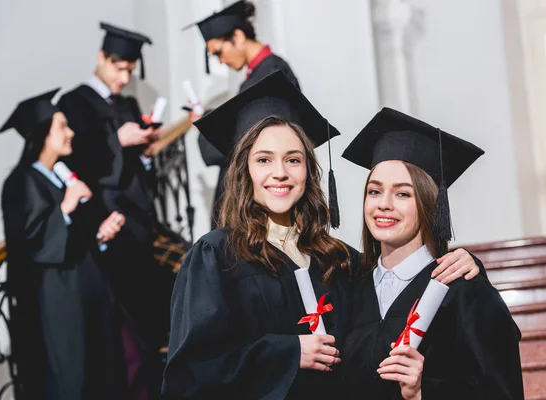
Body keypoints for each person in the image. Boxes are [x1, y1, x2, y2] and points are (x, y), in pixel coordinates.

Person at [161, 71, 482, 399]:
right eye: (263, 160)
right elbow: (190, 376)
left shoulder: (338, 258)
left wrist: (465, 263)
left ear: (309, 170)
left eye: (293, 160)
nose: (280, 173)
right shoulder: (217, 257)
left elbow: (399, 302)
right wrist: (287, 353)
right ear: (244, 170)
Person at [338, 107, 524, 399]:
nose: (384, 204)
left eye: (403, 193)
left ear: (429, 204)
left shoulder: (464, 291)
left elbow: (501, 392)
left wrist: (423, 392)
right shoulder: (349, 290)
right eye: (374, 191)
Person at [57, 22, 172, 400]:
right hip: (106, 223)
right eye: (119, 68)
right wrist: (115, 139)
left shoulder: (127, 104)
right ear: (101, 59)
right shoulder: (74, 103)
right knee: (122, 328)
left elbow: (133, 164)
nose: (124, 77)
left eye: (130, 70)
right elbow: (73, 160)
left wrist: (143, 152)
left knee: (149, 316)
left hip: (138, 220)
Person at [0, 88, 126, 399]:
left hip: (86, 294)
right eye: (62, 127)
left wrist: (100, 234)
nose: (71, 133)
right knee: (72, 377)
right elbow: (29, 242)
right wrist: (66, 207)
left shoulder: (58, 176)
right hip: (58, 302)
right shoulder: (21, 182)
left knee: (100, 371)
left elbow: (70, 237)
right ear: (42, 134)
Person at [183, 0, 300, 228]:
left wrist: (209, 127)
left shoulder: (272, 74)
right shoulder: (258, 76)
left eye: (219, 51)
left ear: (237, 36)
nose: (220, 60)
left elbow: (246, 140)